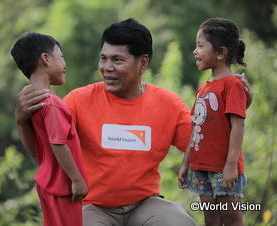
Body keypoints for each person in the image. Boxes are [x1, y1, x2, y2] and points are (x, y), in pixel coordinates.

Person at [14, 18, 252, 226]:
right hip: (92, 206)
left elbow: (206, 142)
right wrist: (22, 121)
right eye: (104, 59)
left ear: (143, 63)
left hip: (146, 205)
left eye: (117, 60)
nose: (107, 68)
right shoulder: (78, 100)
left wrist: (232, 108)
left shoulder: (168, 104)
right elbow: (42, 152)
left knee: (178, 222)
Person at [11, 33, 88, 226]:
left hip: (46, 182)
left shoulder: (34, 104)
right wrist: (77, 180)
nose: (65, 64)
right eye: (61, 57)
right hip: (63, 186)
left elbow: (34, 150)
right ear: (46, 59)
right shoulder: (52, 104)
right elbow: (58, 143)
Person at [178, 18, 249, 226]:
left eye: (200, 46)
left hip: (223, 168)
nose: (195, 51)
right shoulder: (204, 88)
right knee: (211, 217)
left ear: (221, 53)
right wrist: (186, 163)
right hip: (200, 167)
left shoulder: (233, 85)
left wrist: (230, 165)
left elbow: (238, 126)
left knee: (231, 217)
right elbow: (196, 128)